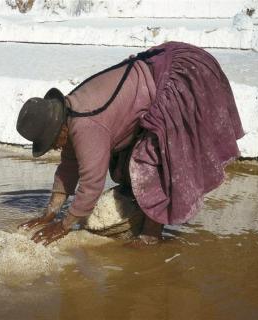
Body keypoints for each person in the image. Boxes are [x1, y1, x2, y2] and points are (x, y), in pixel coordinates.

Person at [16, 41, 244, 246]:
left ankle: (151, 234)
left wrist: (63, 226)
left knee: (148, 162)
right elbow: (68, 168)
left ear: (60, 129)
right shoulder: (71, 111)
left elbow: (91, 184)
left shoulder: (86, 127)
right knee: (123, 160)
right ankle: (141, 209)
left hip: (180, 77)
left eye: (52, 143)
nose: (55, 148)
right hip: (158, 69)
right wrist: (50, 212)